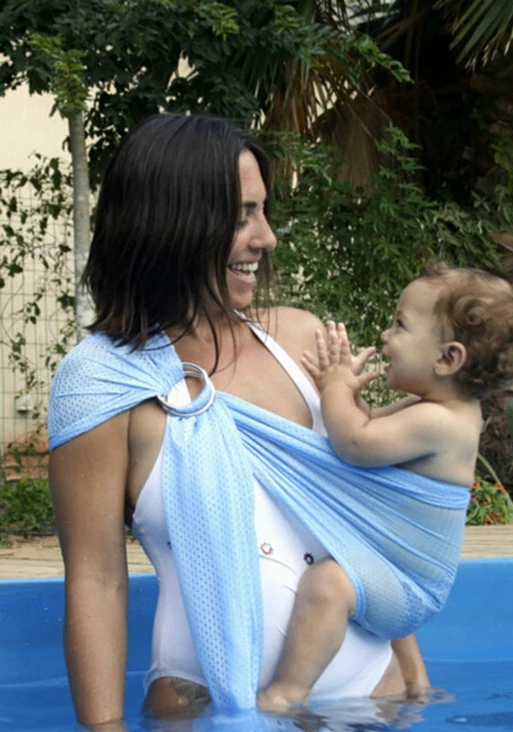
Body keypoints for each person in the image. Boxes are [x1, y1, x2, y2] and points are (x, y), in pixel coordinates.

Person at [46, 112, 441, 729]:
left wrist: (414, 678)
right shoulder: (103, 382)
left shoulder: (303, 341)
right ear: (173, 222)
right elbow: (97, 581)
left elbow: (359, 528)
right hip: (203, 708)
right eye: (242, 217)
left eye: (263, 212)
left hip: (371, 698)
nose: (267, 238)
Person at [258, 262, 513, 710]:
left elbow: (354, 443)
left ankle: (287, 692)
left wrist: (333, 386)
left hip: (408, 588)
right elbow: (365, 426)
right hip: (391, 570)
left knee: (328, 584)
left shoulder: (440, 422)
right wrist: (348, 392)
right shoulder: (431, 409)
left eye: (400, 325)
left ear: (448, 358)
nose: (385, 335)